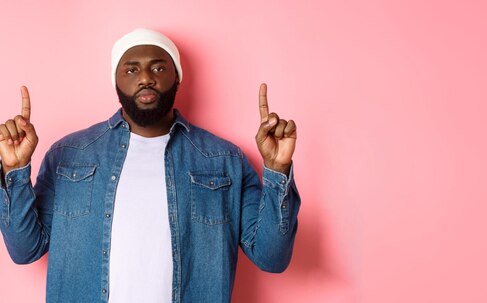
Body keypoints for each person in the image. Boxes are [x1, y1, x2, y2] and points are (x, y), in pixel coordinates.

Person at [0, 28, 300, 302]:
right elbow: (25, 250)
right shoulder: (68, 155)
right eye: (131, 69)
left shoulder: (226, 161)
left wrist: (277, 169)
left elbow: (271, 257)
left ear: (177, 76)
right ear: (116, 81)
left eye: (158, 67)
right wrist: (14, 171)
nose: (145, 77)